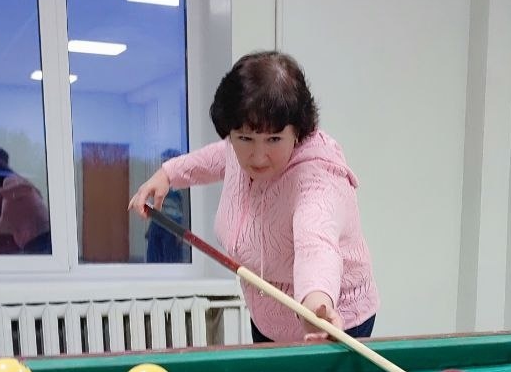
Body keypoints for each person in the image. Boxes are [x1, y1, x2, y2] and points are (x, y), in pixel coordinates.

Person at [129, 52, 378, 344]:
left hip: (330, 322)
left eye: (274, 139)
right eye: (245, 138)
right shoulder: (237, 149)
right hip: (267, 314)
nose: (258, 157)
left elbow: (316, 246)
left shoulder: (317, 180)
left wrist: (316, 308)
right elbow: (217, 156)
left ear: (297, 132)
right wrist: (168, 174)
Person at [0, 174, 51, 253]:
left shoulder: (10, 182)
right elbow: (3, 222)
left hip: (42, 240)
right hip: (32, 245)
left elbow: (26, 188)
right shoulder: (9, 200)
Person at [145, 149, 188, 264]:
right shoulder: (159, 181)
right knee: (153, 257)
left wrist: (180, 231)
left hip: (173, 223)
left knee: (171, 259)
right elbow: (155, 205)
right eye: (164, 162)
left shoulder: (183, 183)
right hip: (157, 221)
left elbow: (184, 210)